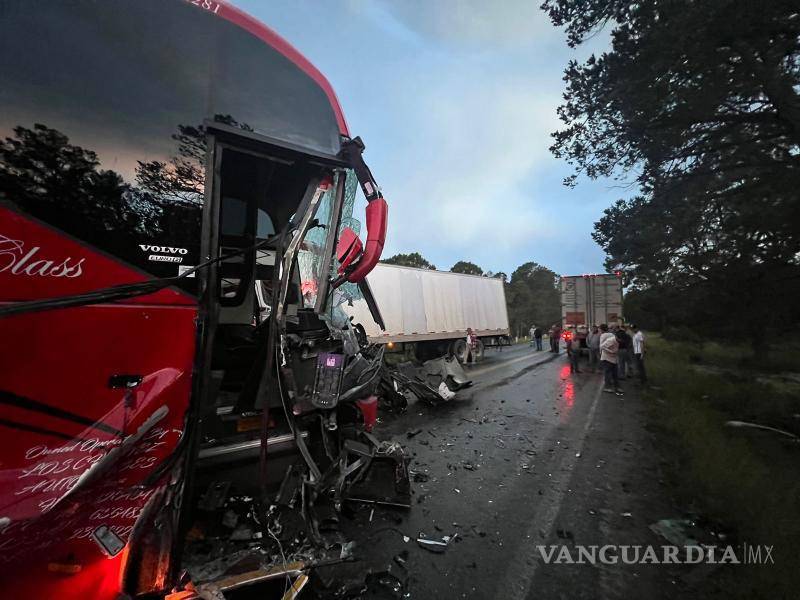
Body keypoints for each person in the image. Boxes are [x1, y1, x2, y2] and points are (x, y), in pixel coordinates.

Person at [599, 323, 622, 394]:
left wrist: (601, 354)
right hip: (609, 357)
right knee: (613, 373)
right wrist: (611, 351)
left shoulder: (603, 335)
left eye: (600, 329)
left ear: (602, 329)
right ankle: (613, 386)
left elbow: (601, 346)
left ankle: (609, 386)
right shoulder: (612, 335)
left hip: (608, 356)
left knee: (608, 373)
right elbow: (603, 346)